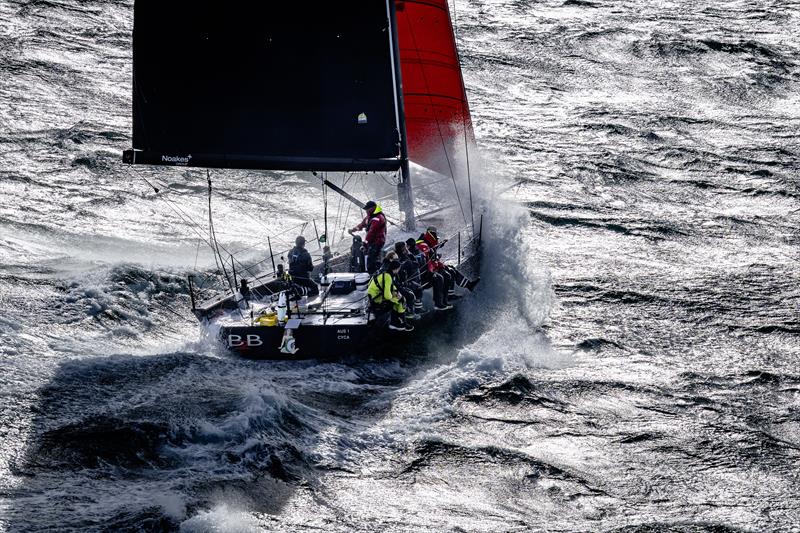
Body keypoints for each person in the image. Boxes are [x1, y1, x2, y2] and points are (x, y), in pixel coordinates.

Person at [418, 226, 479, 294]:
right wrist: (435, 259)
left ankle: (468, 285)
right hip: (427, 273)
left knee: (451, 269)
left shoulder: (427, 242)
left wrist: (442, 243)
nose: (436, 237)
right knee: (450, 272)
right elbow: (427, 256)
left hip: (432, 268)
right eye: (435, 235)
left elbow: (433, 247)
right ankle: (449, 295)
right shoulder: (422, 244)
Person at [367, 259, 413, 331]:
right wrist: (397, 296)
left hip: (372, 295)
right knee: (402, 300)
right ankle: (401, 324)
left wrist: (396, 292)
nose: (398, 271)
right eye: (398, 269)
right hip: (376, 298)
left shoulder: (385, 272)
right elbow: (387, 296)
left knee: (397, 300)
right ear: (396, 269)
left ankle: (394, 323)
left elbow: (390, 286)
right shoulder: (388, 276)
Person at [349, 200, 386, 274]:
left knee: (372, 260)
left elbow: (371, 232)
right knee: (370, 259)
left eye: (367, 209)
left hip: (377, 242)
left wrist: (365, 243)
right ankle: (372, 273)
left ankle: (374, 275)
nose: (366, 211)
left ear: (372, 208)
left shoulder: (378, 218)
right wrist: (354, 229)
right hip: (371, 242)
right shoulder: (369, 217)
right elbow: (362, 224)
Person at [394, 241, 424, 312]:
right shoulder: (403, 259)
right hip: (402, 283)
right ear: (403, 249)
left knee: (417, 286)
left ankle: (415, 308)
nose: (407, 248)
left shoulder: (398, 255)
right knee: (418, 288)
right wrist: (410, 254)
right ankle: (412, 310)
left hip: (404, 280)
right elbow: (416, 264)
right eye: (405, 247)